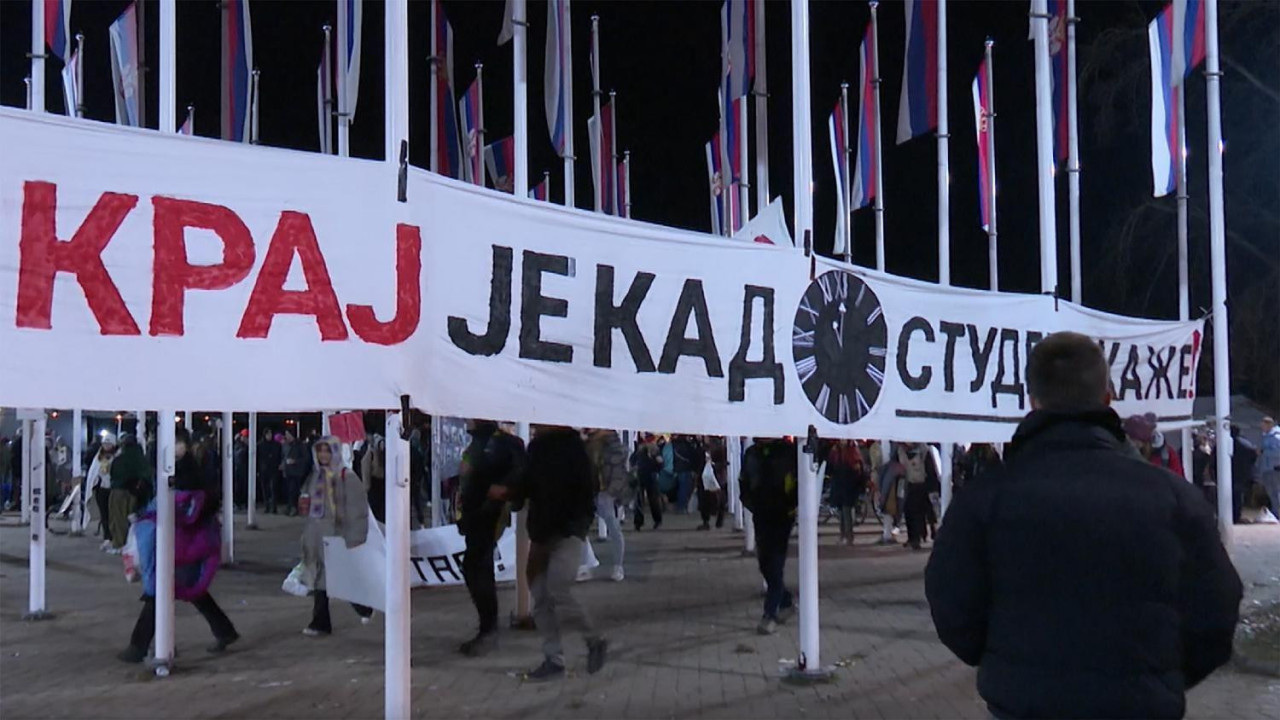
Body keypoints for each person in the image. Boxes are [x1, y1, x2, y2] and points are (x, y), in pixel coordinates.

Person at [926, 332, 1242, 719]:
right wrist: (1161, 674)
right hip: (1140, 705)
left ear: (1033, 403)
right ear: (1108, 397)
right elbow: (1216, 611)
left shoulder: (985, 498)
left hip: (1025, 704)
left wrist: (1003, 660)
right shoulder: (1174, 498)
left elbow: (951, 606)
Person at [118, 429, 239, 663]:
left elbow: (194, 507)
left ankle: (138, 647)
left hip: (185, 541)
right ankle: (225, 630)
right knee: (190, 589)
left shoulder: (192, 472)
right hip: (180, 540)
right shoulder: (166, 470)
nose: (175, 448)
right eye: (171, 443)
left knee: (160, 591)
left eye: (179, 443)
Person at [508, 425, 607, 681]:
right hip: (544, 532)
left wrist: (576, 526)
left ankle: (594, 640)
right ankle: (554, 659)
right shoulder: (539, 448)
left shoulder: (573, 449)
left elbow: (587, 491)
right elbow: (527, 485)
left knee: (556, 588)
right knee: (541, 594)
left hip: (565, 531)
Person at [455, 420, 526, 656]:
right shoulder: (480, 442)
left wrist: (504, 491)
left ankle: (489, 629)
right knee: (474, 567)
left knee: (479, 567)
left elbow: (518, 474)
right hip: (475, 514)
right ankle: (487, 627)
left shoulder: (502, 443)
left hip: (489, 513)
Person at [300, 436, 374, 636]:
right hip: (318, 536)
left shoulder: (346, 477)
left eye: (327, 451)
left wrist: (354, 538)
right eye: (320, 451)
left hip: (337, 536)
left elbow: (357, 510)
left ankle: (363, 606)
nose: (323, 455)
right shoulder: (315, 476)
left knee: (339, 579)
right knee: (321, 580)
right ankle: (321, 622)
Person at [740, 437, 798, 635]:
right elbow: (744, 481)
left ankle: (770, 613)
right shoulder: (752, 453)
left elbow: (799, 481)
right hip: (761, 514)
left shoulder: (789, 452)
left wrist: (792, 506)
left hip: (782, 515)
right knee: (765, 563)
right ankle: (786, 600)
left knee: (775, 562)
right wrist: (751, 503)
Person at [585, 428, 630, 581]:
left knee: (614, 528)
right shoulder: (590, 443)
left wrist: (613, 491)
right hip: (595, 490)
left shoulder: (612, 446)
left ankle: (618, 566)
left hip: (606, 492)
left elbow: (617, 470)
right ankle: (587, 565)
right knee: (581, 528)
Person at [107, 433, 150, 554]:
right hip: (136, 493)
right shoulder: (141, 458)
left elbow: (114, 474)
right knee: (132, 519)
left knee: (118, 518)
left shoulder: (120, 459)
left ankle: (119, 544)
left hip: (119, 491)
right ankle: (131, 544)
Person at [826, 439, 868, 545]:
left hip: (849, 485)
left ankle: (848, 536)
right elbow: (831, 466)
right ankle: (844, 535)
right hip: (840, 484)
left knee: (846, 510)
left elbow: (858, 470)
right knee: (842, 511)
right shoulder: (836, 451)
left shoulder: (852, 451)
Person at [898, 443, 938, 550]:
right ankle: (914, 537)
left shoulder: (924, 450)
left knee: (918, 512)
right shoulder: (901, 450)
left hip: (921, 484)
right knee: (909, 512)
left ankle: (917, 538)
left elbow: (930, 469)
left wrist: (932, 487)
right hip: (908, 484)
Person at [1124, 412, 1185, 478]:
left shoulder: (1166, 455)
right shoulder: (1120, 454)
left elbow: (1178, 482)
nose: (1133, 445)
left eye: (1136, 442)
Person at [87, 433, 117, 549]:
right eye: (105, 443)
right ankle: (107, 537)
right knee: (104, 514)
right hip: (101, 489)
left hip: (112, 488)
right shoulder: (99, 456)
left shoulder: (117, 456)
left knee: (113, 514)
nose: (106, 445)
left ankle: (114, 536)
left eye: (109, 443)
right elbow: (94, 471)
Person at [631, 435, 664, 531]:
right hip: (646, 476)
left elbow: (633, 461)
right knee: (646, 501)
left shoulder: (643, 452)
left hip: (646, 476)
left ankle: (641, 522)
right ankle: (643, 522)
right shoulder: (649, 452)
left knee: (649, 501)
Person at [876, 445, 906, 546]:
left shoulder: (890, 467)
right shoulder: (899, 467)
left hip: (891, 494)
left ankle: (889, 533)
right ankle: (891, 531)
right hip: (895, 492)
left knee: (891, 511)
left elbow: (883, 484)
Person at [698, 437, 728, 531]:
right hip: (709, 476)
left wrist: (714, 465)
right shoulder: (704, 448)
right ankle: (711, 521)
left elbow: (723, 462)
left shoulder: (718, 447)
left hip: (715, 476)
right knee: (707, 499)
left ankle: (713, 520)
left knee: (717, 499)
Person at [1230, 426, 1258, 524]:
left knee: (1231, 496)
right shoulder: (1246, 444)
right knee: (1238, 496)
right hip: (1242, 474)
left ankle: (1231, 515)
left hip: (1231, 473)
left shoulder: (1223, 444)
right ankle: (1236, 516)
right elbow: (1253, 456)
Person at [282, 431, 311, 517]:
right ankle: (290, 506)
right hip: (288, 471)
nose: (286, 436)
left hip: (297, 472)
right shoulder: (286, 445)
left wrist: (295, 461)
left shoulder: (300, 445)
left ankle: (294, 507)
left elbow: (306, 458)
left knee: (294, 490)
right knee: (289, 490)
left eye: (288, 434)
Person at [361, 433, 387, 523]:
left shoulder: (384, 454)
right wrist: (367, 486)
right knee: (375, 508)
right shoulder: (371, 453)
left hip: (381, 484)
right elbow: (366, 469)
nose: (383, 446)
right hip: (375, 483)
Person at [1257, 416, 1280, 516]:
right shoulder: (1266, 436)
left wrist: (1263, 452)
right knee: (1271, 492)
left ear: (1269, 425)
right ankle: (1276, 513)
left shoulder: (1276, 437)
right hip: (1267, 468)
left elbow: (1278, 453)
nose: (1262, 427)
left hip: (1275, 468)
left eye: (1263, 425)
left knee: (1277, 491)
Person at [257, 429, 283, 514]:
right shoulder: (260, 445)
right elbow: (258, 458)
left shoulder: (276, 445)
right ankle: (267, 506)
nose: (269, 436)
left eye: (270, 434)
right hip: (264, 470)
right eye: (268, 434)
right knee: (265, 489)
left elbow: (280, 455)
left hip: (273, 469)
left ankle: (273, 506)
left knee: (273, 488)